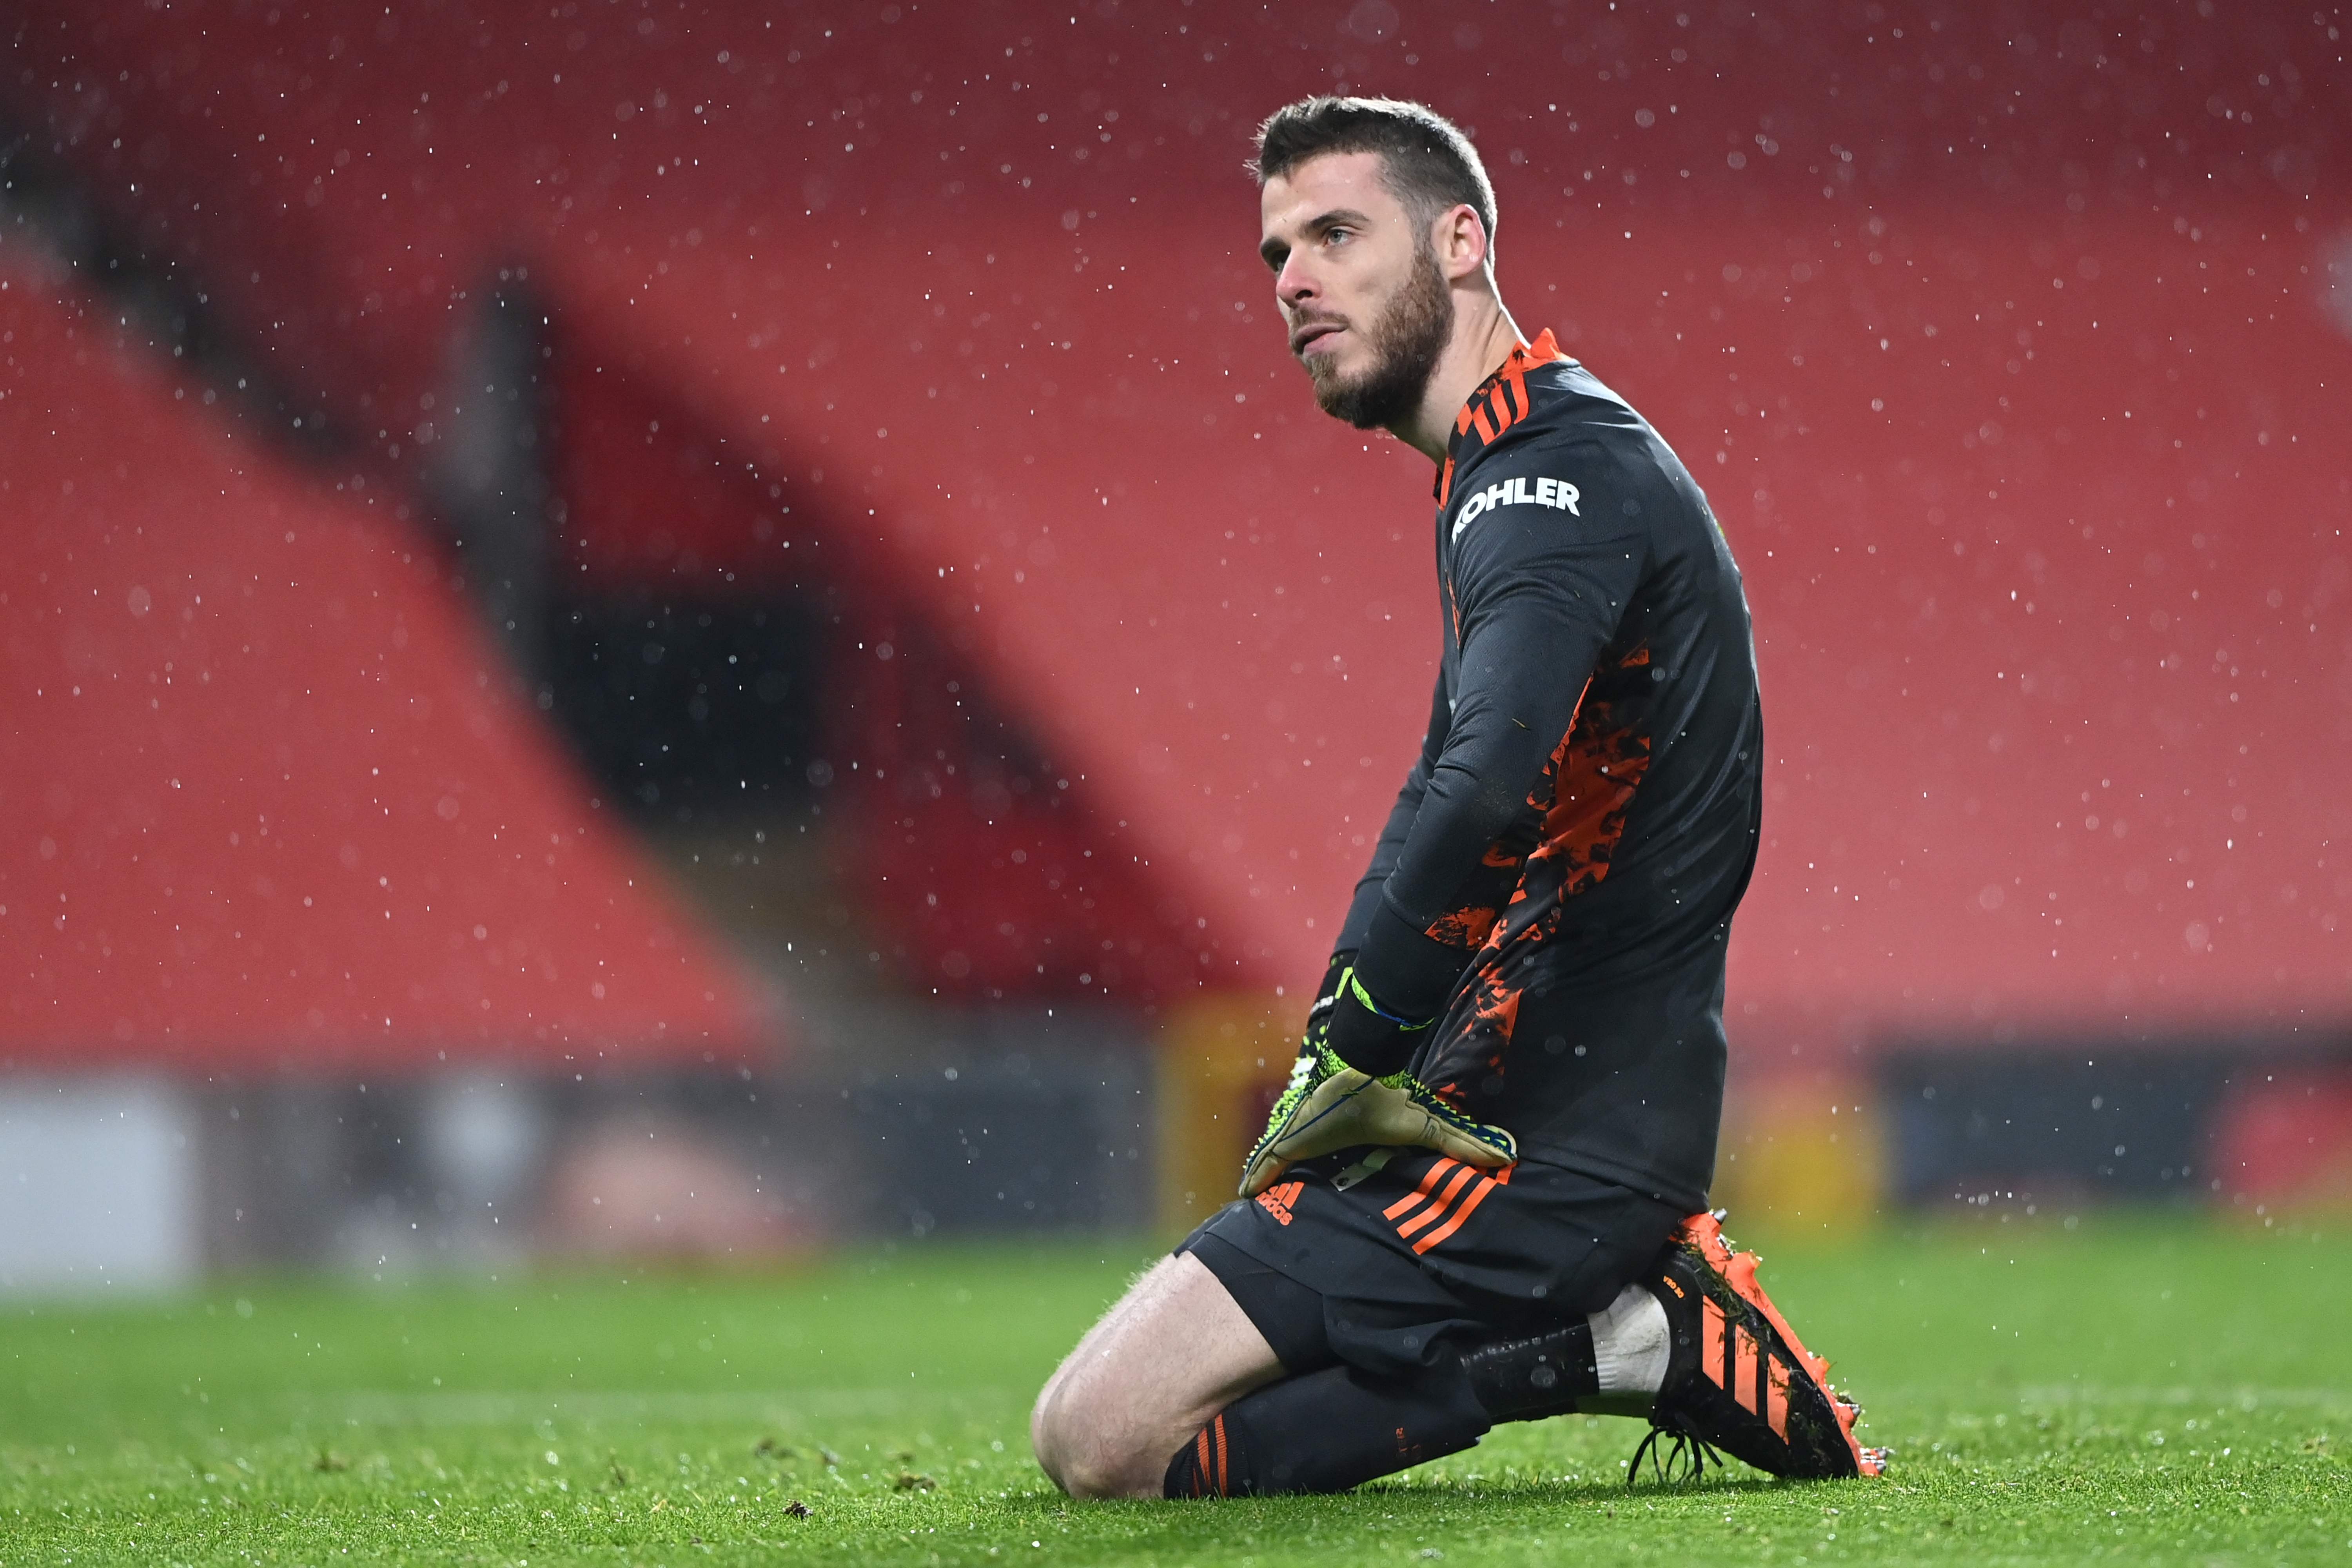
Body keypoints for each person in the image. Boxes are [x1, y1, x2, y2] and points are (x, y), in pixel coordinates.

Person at [1030, 95, 1884, 1500]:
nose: (1294, 278)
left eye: (1338, 234)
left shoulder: (1546, 476)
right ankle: (1617, 1326)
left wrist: (1355, 1033)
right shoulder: (1526, 458)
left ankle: (1618, 1343)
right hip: (1510, 1102)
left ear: (1464, 242)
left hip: (1537, 1138)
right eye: (1275, 253)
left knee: (1105, 1448)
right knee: (1125, 1421)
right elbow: (1493, 788)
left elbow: (1480, 784)